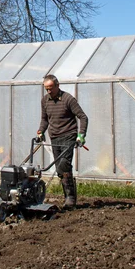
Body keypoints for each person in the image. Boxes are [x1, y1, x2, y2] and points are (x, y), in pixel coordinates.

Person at [36, 74, 88, 208]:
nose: (49, 91)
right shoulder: (45, 101)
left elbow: (83, 117)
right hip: (54, 137)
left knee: (63, 165)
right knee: (60, 170)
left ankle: (70, 198)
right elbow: (45, 119)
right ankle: (67, 197)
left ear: (57, 86)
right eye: (46, 89)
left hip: (68, 136)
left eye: (51, 88)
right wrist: (41, 131)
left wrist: (81, 135)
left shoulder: (68, 99)